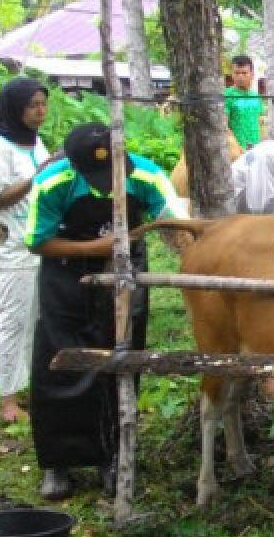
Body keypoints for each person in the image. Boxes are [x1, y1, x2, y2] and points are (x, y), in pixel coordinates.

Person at [26, 123, 184, 500]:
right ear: (75, 167)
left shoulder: (146, 176)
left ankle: (111, 457)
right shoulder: (52, 182)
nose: (107, 186)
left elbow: (175, 222)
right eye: (97, 179)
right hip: (66, 281)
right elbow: (37, 242)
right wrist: (95, 249)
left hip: (124, 281)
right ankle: (57, 462)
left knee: (117, 367)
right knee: (61, 365)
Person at [0, 78, 50, 423]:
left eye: (43, 104)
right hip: (11, 248)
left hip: (37, 245)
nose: (40, 111)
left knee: (37, 319)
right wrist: (37, 176)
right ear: (15, 109)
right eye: (32, 105)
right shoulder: (0, 147)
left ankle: (29, 383)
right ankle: (8, 401)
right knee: (12, 321)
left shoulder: (35, 143)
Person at [225, 55, 264, 150]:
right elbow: (223, 127)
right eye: (237, 73)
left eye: (244, 73)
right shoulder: (227, 95)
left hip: (255, 148)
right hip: (235, 151)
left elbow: (258, 122)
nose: (240, 77)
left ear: (252, 74)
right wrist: (236, 148)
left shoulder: (256, 96)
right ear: (232, 74)